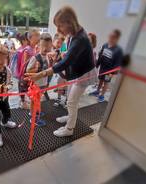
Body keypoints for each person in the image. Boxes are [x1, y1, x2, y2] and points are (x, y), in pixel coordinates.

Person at [25, 6, 95, 137]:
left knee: (72, 101)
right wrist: (60, 53)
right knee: (70, 98)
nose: (57, 30)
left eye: (60, 26)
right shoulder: (75, 33)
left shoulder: (80, 38)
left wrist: (41, 73)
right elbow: (71, 54)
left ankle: (69, 129)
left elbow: (65, 63)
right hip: (77, 71)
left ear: (69, 23)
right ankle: (69, 117)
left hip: (83, 74)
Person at [26, 33, 53, 126]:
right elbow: (28, 70)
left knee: (37, 100)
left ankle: (33, 112)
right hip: (36, 84)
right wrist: (37, 69)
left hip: (43, 83)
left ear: (51, 46)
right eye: (43, 46)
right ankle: (34, 119)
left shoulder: (48, 57)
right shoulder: (35, 58)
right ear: (38, 46)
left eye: (48, 46)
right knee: (35, 101)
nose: (45, 48)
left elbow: (48, 70)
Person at [90, 29, 123, 102]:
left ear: (117, 38)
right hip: (102, 67)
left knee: (106, 82)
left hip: (109, 70)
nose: (110, 38)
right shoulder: (105, 45)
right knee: (100, 80)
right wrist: (97, 65)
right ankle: (97, 91)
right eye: (110, 36)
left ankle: (102, 96)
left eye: (113, 37)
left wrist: (113, 73)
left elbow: (118, 63)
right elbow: (101, 55)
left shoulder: (118, 50)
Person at [18, 29, 40, 109]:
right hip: (25, 75)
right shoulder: (27, 49)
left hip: (32, 74)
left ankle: (28, 102)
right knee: (23, 88)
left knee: (29, 89)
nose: (39, 37)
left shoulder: (36, 48)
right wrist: (33, 59)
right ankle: (22, 102)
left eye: (39, 35)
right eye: (37, 35)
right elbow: (24, 64)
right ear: (30, 38)